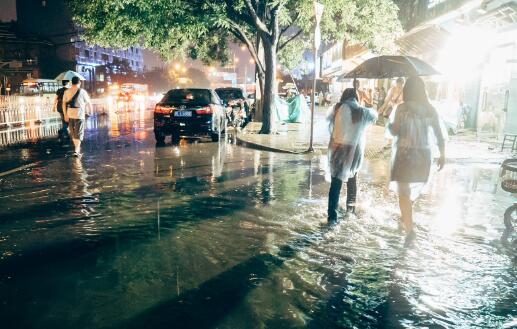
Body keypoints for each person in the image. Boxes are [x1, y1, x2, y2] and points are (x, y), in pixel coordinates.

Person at [388, 76, 446, 237]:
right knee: (410, 195)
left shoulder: (401, 108)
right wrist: (443, 154)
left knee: (404, 193)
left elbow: (395, 131)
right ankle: (405, 219)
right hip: (423, 156)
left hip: (405, 156)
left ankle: (409, 229)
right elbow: (439, 134)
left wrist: (389, 122)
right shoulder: (430, 109)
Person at [327, 88, 378, 222]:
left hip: (339, 149)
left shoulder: (337, 108)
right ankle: (350, 211)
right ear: (356, 98)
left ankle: (332, 216)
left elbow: (329, 122)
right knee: (352, 180)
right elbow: (375, 116)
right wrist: (364, 101)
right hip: (354, 152)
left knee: (336, 183)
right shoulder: (361, 112)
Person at [62, 76, 92, 157]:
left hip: (70, 114)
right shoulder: (82, 92)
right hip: (79, 114)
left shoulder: (67, 91)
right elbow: (89, 102)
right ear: (79, 83)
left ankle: (77, 149)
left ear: (72, 83)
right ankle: (76, 150)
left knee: (73, 132)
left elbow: (63, 103)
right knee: (78, 133)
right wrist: (90, 111)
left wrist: (65, 114)